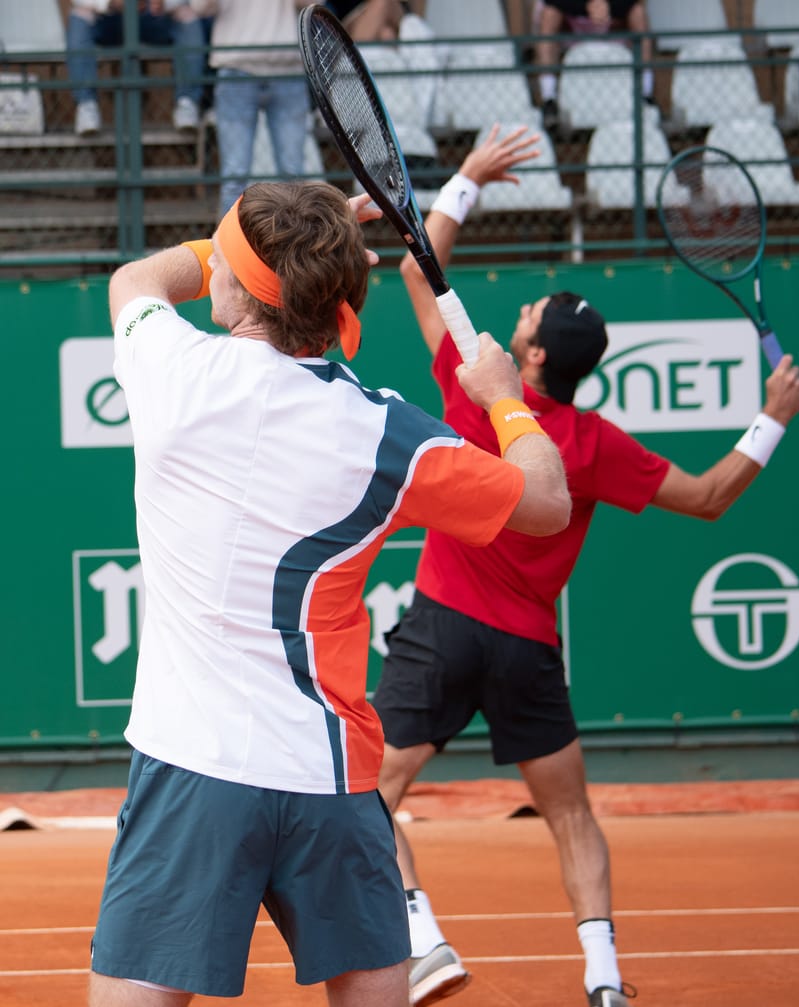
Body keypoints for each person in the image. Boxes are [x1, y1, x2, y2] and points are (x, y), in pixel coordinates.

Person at [87, 176, 572, 1006]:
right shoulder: (387, 431)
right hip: (331, 777)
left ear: (242, 284)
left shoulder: (170, 367)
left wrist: (298, 239)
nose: (217, 266)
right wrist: (506, 401)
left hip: (193, 765)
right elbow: (547, 502)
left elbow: (138, 278)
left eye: (227, 255)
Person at [372, 123, 799, 1007]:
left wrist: (468, 176)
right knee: (571, 812)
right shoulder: (597, 444)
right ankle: (603, 980)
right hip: (528, 650)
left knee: (366, 792)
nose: (525, 311)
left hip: (442, 628)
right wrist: (773, 416)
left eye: (533, 315)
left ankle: (422, 939)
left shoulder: (474, 386)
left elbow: (418, 269)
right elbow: (711, 495)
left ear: (531, 357)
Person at [189, 0, 315, 218]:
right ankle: (228, 241)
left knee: (293, 175)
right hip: (237, 69)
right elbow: (200, 7)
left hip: (287, 69)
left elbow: (313, 4)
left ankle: (295, 239)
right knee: (234, 175)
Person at [66, 1, 207, 136]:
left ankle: (187, 102)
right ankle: (86, 103)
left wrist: (165, 3)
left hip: (155, 17)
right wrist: (110, 2)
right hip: (109, 19)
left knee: (187, 15)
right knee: (79, 16)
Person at [533, 0, 659, 132]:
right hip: (573, 21)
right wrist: (586, 6)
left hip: (612, 22)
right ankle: (549, 99)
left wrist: (609, 6)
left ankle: (645, 94)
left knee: (638, 13)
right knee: (549, 14)